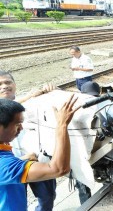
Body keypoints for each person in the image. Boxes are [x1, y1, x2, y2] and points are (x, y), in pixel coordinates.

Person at [0, 95, 79, 211]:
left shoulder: (4, 146)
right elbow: (59, 169)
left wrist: (22, 159)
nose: (21, 128)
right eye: (17, 124)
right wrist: (62, 125)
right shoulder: (4, 164)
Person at [0, 70, 57, 211]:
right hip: (12, 167)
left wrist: (52, 92)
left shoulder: (33, 102)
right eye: (0, 84)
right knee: (18, 199)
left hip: (38, 161)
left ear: (15, 84)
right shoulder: (25, 100)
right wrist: (28, 96)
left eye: (8, 82)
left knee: (48, 197)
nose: (4, 86)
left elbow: (55, 109)